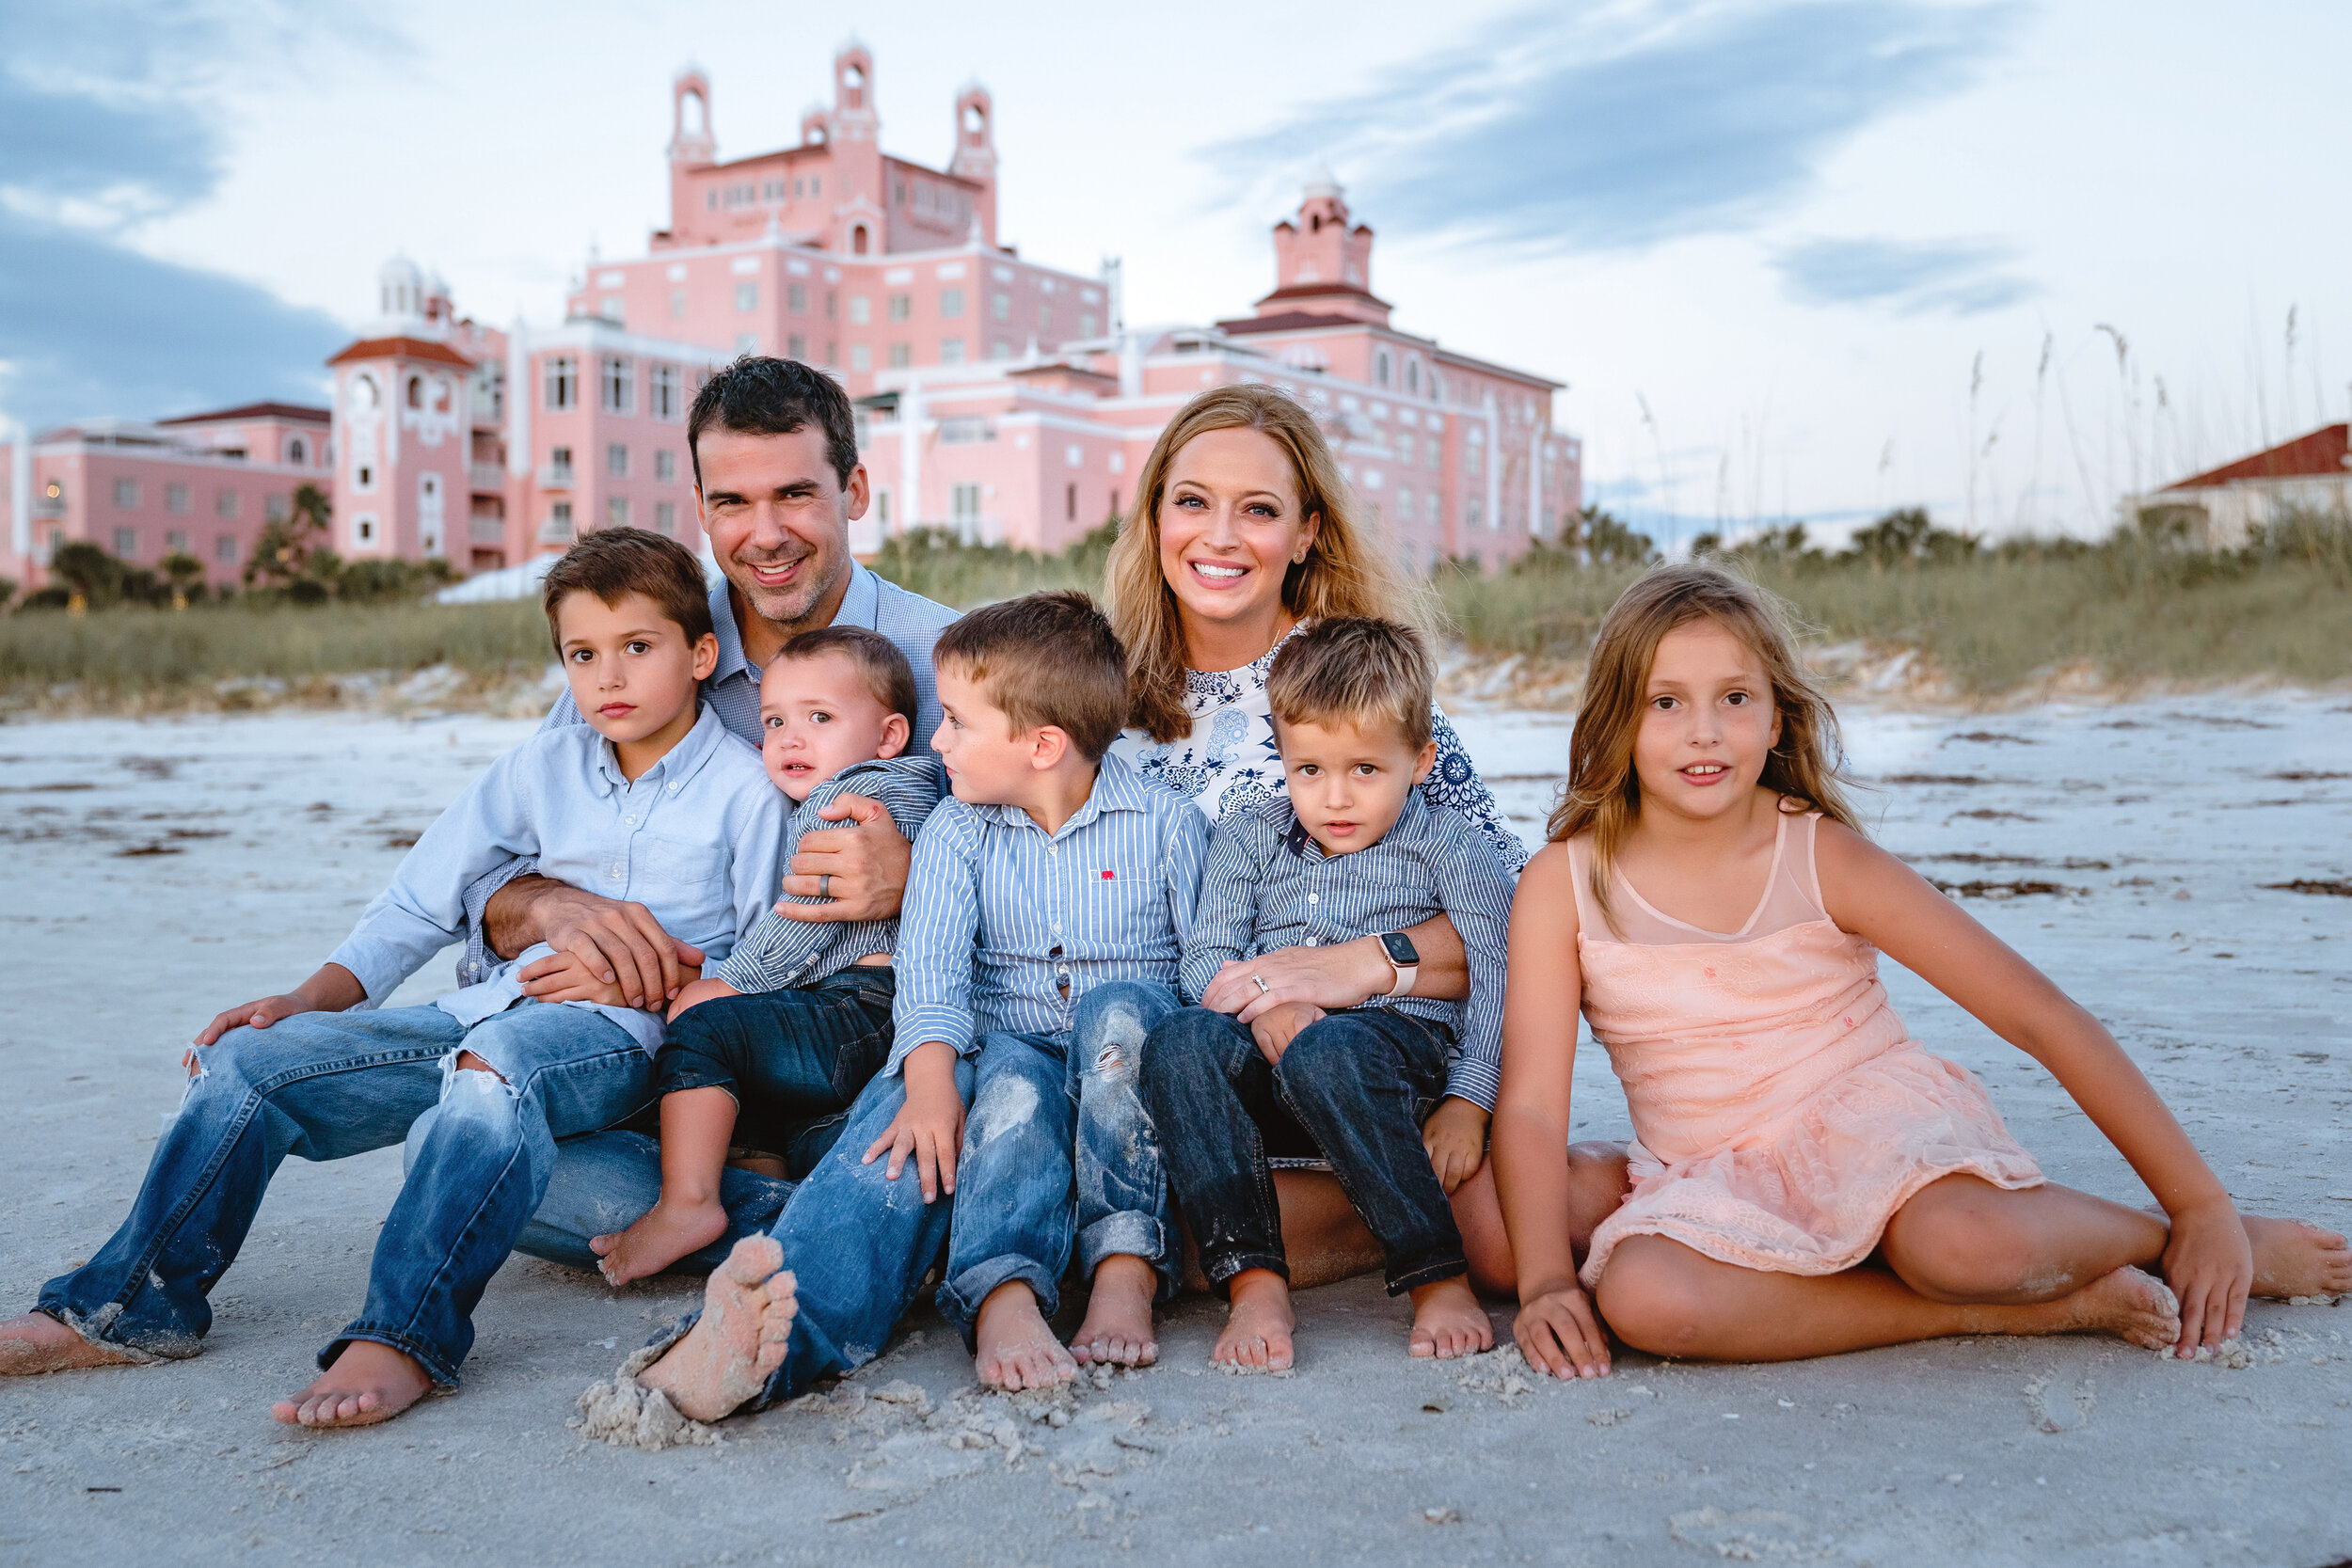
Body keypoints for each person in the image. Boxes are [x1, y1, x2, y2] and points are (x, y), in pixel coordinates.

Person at [0, 530, 785, 1428]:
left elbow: (769, 963)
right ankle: (129, 1303)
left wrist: (677, 976)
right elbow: (420, 899)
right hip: (488, 1006)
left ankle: (406, 1334)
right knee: (250, 1064)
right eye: (582, 654)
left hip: (621, 1043)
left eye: (637, 648)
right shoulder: (542, 766)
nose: (608, 677)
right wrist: (306, 998)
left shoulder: (743, 791)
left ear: (700, 654)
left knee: (495, 1067)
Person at [1493, 563, 2352, 1380]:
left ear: (1779, 719)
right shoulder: (1564, 882)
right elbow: (1531, 1103)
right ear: (1615, 718)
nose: (1705, 731)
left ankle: (2172, 1237)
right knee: (1644, 1297)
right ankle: (2015, 1312)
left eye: (1735, 698)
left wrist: (2198, 1201)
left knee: (1961, 1249)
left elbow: (2038, 1015)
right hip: (1710, 1172)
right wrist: (1544, 1282)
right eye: (1666, 701)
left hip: (1876, 1134)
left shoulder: (1820, 855)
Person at [1098, 382, 1629, 1328]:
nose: (1219, 535)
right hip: (1188, 1079)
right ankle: (1404, 1202)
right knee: (1138, 1233)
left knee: (1191, 1241)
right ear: (1154, 515)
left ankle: (1446, 1191)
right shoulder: (1099, 700)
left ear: (1305, 532)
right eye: (1192, 500)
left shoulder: (1353, 686)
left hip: (1365, 1058)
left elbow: (1520, 918)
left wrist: (1357, 963)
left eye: (1257, 508)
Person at [469, 355, 957, 1020]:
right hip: (635, 1031)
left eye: (795, 494)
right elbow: (485, 878)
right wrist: (554, 905)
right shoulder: (646, 653)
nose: (766, 536)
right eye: (732, 502)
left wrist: (919, 878)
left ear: (855, 491)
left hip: (878, 1043)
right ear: (700, 507)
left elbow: (1060, 880)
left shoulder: (951, 661)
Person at [1146, 617, 1516, 1370]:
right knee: (1178, 1042)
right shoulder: (1252, 834)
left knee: (1333, 1049)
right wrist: (1269, 1003)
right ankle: (1253, 1281)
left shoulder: (1447, 842)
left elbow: (1498, 966)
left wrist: (1470, 1101)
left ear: (1420, 759)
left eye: (1364, 771)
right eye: (1309, 769)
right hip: (1271, 1050)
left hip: (1391, 1060)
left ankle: (1435, 1275)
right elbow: (1207, 956)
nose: (1334, 798)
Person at [887, 591, 1206, 1389]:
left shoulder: (1165, 822)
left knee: (1116, 1019)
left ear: (1043, 744)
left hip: (1132, 1043)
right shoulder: (956, 829)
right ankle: (1003, 1288)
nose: (938, 740)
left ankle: (1124, 1269)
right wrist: (928, 1078)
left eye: (958, 721)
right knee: (1012, 1097)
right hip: (1018, 1034)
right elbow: (932, 967)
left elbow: (1206, 959)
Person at [579, 626, 940, 1287]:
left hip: (862, 1004)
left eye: (819, 718)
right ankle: (767, 1194)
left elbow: (804, 919)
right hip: (881, 1016)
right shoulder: (919, 785)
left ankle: (687, 1204)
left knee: (707, 1033)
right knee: (769, 1084)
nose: (790, 738)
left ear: (889, 735)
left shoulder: (847, 799)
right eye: (774, 720)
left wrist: (726, 983)